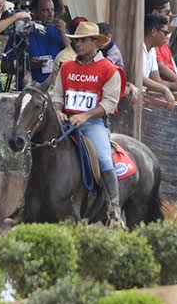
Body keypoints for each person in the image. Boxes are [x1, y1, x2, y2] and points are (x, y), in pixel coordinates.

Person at [46, 22, 126, 226]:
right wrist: (57, 110)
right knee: (40, 151)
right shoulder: (66, 67)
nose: (78, 44)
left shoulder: (109, 70)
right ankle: (25, 205)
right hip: (64, 123)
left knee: (104, 159)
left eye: (82, 40)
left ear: (95, 43)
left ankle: (114, 211)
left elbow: (109, 103)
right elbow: (56, 95)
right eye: (76, 41)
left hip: (92, 124)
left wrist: (85, 116)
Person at [14, 0, 66, 85]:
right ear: (34, 12)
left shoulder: (59, 31)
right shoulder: (23, 31)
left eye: (52, 10)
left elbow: (73, 55)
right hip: (30, 88)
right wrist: (28, 65)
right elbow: (5, 66)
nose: (51, 14)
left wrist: (64, 34)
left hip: (56, 87)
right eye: (45, 10)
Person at [141, 14, 177, 108]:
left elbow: (156, 79)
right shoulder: (139, 48)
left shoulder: (152, 50)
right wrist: (165, 89)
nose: (166, 37)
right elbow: (140, 78)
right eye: (165, 33)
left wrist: (170, 88)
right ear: (153, 31)